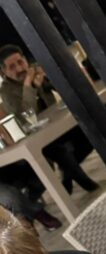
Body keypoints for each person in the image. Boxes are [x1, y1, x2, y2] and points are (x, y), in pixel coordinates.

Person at [0, 45, 99, 193]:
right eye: (12, 67)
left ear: (26, 60)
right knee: (59, 150)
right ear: (4, 72)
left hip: (57, 126)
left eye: (20, 62)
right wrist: (29, 85)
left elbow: (65, 90)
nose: (19, 68)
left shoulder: (36, 72)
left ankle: (67, 174)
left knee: (91, 129)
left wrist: (50, 76)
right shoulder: (6, 92)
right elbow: (26, 117)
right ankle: (87, 185)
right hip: (36, 139)